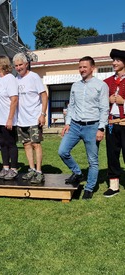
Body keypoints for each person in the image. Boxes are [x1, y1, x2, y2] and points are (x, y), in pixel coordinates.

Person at [58, 56, 109, 199]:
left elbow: (104, 108)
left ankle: (89, 188)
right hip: (74, 125)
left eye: (84, 67)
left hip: (92, 127)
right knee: (62, 151)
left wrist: (101, 128)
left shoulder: (101, 86)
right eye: (80, 67)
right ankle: (78, 173)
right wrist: (67, 123)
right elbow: (71, 106)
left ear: (92, 68)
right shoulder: (75, 86)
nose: (82, 70)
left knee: (92, 160)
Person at [13, 52, 48, 185]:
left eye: (20, 64)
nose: (18, 67)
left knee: (36, 144)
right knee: (26, 145)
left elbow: (44, 96)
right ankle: (31, 169)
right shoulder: (16, 79)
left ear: (26, 64)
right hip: (21, 119)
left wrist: (43, 114)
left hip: (34, 118)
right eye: (16, 65)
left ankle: (39, 171)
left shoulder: (34, 77)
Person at [0, 55, 19, 180]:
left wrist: (10, 118)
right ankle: (5, 167)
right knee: (2, 143)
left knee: (10, 143)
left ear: (2, 65)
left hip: (7, 118)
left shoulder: (10, 79)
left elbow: (14, 99)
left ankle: (13, 169)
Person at [103, 49, 125, 197]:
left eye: (117, 60)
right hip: (111, 124)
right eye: (113, 60)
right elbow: (98, 104)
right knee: (112, 155)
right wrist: (107, 100)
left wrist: (124, 102)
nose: (114, 63)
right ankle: (114, 186)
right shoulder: (106, 82)